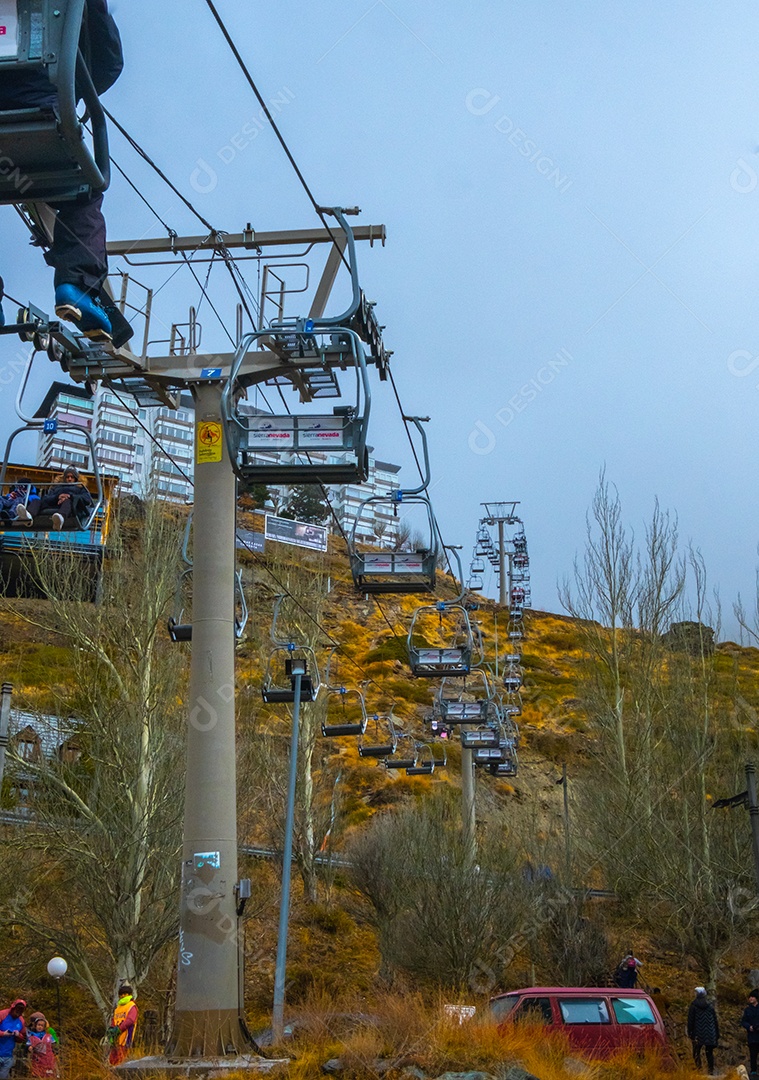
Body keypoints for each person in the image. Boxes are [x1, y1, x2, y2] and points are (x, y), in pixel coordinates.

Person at [0, 0, 125, 342]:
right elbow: (108, 62)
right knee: (82, 189)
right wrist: (73, 88)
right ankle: (77, 284)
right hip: (39, 114)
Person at [19, 465, 94, 530]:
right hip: (55, 504)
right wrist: (57, 497)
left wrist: (70, 497)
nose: (70, 479)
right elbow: (46, 498)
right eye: (67, 477)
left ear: (76, 479)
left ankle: (60, 518)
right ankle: (28, 516)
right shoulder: (57, 488)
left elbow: (87, 499)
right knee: (37, 500)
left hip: (70, 506)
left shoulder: (80, 488)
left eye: (72, 477)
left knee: (67, 502)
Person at [688, 986, 719, 1076]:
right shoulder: (710, 1005)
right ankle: (710, 1071)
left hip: (698, 1032)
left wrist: (690, 1032)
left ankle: (699, 1070)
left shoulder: (693, 1006)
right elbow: (715, 1020)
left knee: (696, 1052)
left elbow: (691, 1020)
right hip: (710, 1032)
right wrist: (717, 1033)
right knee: (709, 1052)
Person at [107, 984, 137, 1067]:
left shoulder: (132, 1006)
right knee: (113, 1061)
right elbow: (114, 1020)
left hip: (125, 1039)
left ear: (130, 994)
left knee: (122, 1062)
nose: (123, 996)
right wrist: (111, 1029)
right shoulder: (117, 1008)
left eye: (125, 993)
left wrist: (119, 1029)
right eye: (121, 994)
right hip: (116, 1039)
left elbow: (130, 1020)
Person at [0, 998, 27, 1080]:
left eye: (21, 1009)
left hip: (8, 1055)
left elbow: (23, 1037)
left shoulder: (21, 1021)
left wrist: (18, 1035)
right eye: (18, 1008)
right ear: (13, 1007)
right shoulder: (2, 1014)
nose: (18, 1011)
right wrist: (3, 1034)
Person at [26, 1012, 58, 1078]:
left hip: (48, 1060)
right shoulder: (31, 1037)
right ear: (35, 1025)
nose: (40, 1027)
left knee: (49, 1075)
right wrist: (30, 1048)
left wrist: (55, 1052)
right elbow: (28, 1047)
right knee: (38, 1075)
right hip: (37, 1060)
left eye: (42, 1025)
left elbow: (54, 1046)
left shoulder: (49, 1036)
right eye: (38, 1025)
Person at [741, 990, 759, 1076]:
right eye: (750, 997)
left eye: (752, 997)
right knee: (753, 1054)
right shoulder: (747, 1010)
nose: (750, 999)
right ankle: (753, 1071)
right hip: (752, 1035)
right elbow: (743, 1021)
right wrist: (749, 1027)